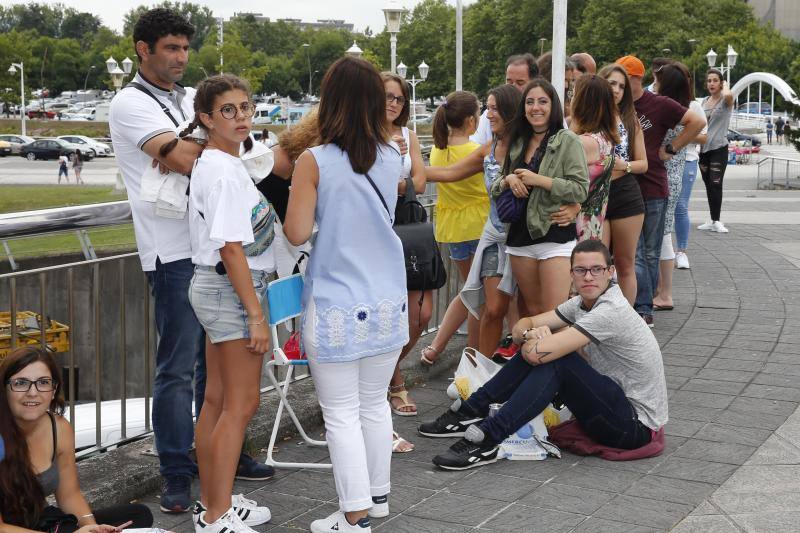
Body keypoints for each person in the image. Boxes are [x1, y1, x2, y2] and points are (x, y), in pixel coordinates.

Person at [109, 8, 271, 514]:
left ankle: (219, 467)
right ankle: (177, 472)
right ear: (143, 49)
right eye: (170, 49)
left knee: (215, 377)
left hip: (207, 248)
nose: (181, 58)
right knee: (178, 369)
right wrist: (206, 144)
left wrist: (202, 140)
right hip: (172, 250)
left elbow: (202, 152)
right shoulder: (129, 103)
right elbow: (187, 159)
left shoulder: (183, 100)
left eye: (184, 48)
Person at [283, 56, 409, 533]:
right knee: (374, 404)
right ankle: (375, 503)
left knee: (340, 413)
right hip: (386, 298)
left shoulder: (313, 161)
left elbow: (297, 233)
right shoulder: (392, 154)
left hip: (336, 299)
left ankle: (353, 514)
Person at [418, 240, 668, 471]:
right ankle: (470, 411)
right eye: (580, 270)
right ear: (571, 275)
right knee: (554, 356)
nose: (588, 277)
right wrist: (530, 335)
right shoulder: (582, 302)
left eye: (596, 270)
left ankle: (487, 438)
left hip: (635, 427)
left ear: (610, 272)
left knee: (559, 361)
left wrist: (532, 339)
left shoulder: (610, 310)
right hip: (614, 406)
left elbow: (536, 353)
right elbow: (523, 323)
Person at [157, 74, 273, 533]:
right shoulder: (223, 169)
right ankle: (217, 514)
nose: (242, 117)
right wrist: (256, 315)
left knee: (217, 401)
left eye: (246, 107)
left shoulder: (213, 161)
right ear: (205, 118)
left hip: (214, 286)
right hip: (230, 289)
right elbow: (230, 247)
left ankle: (214, 501)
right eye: (229, 110)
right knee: (239, 405)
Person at [0, 347, 154, 532]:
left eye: (43, 382)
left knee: (139, 514)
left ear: (54, 389)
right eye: (20, 383)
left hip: (37, 520)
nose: (33, 392)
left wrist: (92, 528)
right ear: (4, 388)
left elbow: (69, 495)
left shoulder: (59, 427)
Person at [616, 55, 703, 328]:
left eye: (622, 80)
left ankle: (643, 308)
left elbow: (697, 123)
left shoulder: (658, 104)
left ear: (635, 78)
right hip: (621, 187)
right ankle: (629, 304)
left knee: (649, 251)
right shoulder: (614, 105)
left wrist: (672, 148)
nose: (616, 87)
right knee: (627, 253)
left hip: (652, 186)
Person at [491, 78, 589, 317]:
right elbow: (495, 187)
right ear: (523, 108)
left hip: (553, 235)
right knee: (534, 312)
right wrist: (508, 180)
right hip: (519, 239)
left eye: (543, 101)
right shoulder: (517, 141)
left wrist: (539, 180)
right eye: (530, 102)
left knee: (554, 314)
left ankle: (565, 355)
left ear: (553, 106)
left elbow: (580, 189)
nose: (536, 107)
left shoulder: (568, 140)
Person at [418, 91, 486, 365]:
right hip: (479, 224)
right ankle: (472, 355)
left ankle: (436, 346)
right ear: (471, 120)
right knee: (477, 295)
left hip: (452, 228)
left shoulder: (438, 148)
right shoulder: (474, 151)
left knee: (469, 290)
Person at [381, 71, 428, 417]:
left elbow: (421, 182)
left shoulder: (408, 136)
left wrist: (394, 176)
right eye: (386, 97)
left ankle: (379, 375)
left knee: (421, 314)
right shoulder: (363, 135)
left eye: (398, 98)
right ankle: (394, 381)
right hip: (377, 227)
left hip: (407, 225)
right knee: (388, 310)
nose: (393, 104)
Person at [653, 64, 706, 308]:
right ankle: (661, 291)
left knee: (662, 234)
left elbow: (702, 128)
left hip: (664, 175)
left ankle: (665, 293)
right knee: (662, 232)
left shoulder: (671, 109)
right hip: (674, 174)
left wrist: (671, 148)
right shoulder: (682, 108)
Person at [597, 64, 647, 305]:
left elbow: (643, 164)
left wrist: (623, 165)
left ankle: (626, 321)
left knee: (626, 264)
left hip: (625, 193)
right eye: (611, 83)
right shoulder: (586, 118)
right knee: (597, 262)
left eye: (621, 86)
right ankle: (595, 320)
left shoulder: (630, 119)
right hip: (595, 194)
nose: (616, 90)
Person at [569, 74, 620, 242]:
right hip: (592, 225)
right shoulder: (604, 138)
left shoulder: (583, 143)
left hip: (575, 228)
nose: (570, 99)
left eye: (573, 94)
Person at [672, 73, 708, 272]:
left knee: (680, 205)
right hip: (666, 160)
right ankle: (664, 249)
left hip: (687, 159)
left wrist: (683, 136)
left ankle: (682, 251)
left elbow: (704, 137)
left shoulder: (693, 106)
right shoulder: (662, 103)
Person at [471, 54, 538, 145]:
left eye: (520, 82)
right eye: (509, 82)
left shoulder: (541, 113)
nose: (512, 87)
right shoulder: (489, 115)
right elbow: (474, 145)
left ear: (533, 82)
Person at [697, 68, 734, 234]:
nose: (711, 83)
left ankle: (717, 221)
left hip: (719, 148)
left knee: (715, 183)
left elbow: (728, 95)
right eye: (709, 81)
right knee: (708, 185)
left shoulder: (726, 101)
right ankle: (712, 219)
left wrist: (725, 84)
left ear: (721, 83)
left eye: (715, 80)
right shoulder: (703, 101)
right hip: (704, 150)